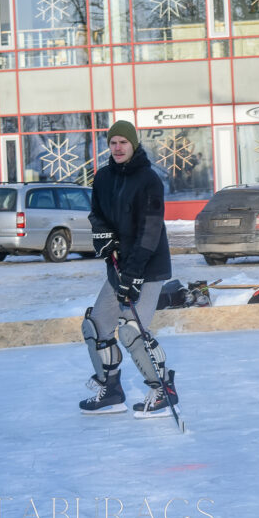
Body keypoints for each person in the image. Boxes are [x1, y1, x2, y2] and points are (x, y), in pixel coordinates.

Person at [79, 120, 180, 417]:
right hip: (118, 265)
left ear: (133, 144)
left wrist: (133, 274)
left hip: (147, 267)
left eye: (123, 142)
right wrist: (102, 235)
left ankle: (163, 390)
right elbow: (96, 214)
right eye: (113, 143)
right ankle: (111, 390)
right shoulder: (102, 177)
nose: (118, 147)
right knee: (95, 326)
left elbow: (150, 230)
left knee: (130, 331)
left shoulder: (149, 179)